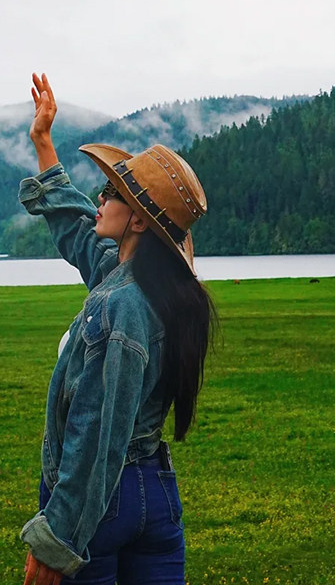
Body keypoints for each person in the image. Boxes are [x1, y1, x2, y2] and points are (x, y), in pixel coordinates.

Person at [20, 73, 217, 585]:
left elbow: (97, 433)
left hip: (100, 500)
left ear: (138, 222)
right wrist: (43, 143)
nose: (100, 199)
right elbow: (76, 228)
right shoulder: (145, 283)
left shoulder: (123, 304)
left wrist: (58, 539)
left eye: (112, 192)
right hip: (155, 491)